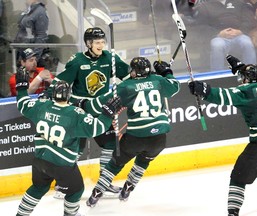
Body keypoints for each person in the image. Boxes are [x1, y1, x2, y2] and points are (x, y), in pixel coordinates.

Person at [14, 66, 122, 216]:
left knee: (39, 187)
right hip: (62, 165)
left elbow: (22, 103)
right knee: (76, 190)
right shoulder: (74, 114)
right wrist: (108, 114)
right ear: (69, 95)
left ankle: (21, 214)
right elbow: (97, 128)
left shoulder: (41, 106)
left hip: (40, 161)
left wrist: (21, 87)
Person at [77, 57, 180, 207]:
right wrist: (166, 72)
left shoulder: (126, 86)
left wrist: (83, 104)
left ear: (134, 71)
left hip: (136, 137)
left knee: (114, 165)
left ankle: (97, 193)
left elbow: (100, 104)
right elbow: (175, 86)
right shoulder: (158, 80)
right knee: (143, 162)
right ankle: (127, 190)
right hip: (159, 138)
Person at [188, 55, 257, 216]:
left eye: (243, 77)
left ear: (247, 80)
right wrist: (240, 68)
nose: (241, 80)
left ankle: (233, 213)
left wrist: (204, 90)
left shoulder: (244, 92)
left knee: (237, 179)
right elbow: (252, 81)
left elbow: (223, 95)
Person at [45, 27, 130, 197]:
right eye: (97, 42)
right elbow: (62, 81)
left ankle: (104, 183)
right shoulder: (77, 61)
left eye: (103, 42)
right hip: (80, 109)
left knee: (110, 145)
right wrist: (46, 95)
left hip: (102, 109)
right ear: (89, 44)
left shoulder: (109, 57)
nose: (101, 45)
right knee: (76, 148)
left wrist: (144, 77)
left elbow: (127, 74)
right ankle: (63, 184)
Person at [192, 0, 257, 71]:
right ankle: (218, 75)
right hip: (218, 37)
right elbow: (201, 26)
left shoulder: (239, 3)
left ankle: (250, 73)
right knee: (217, 45)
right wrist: (219, 33)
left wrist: (240, 31)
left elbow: (249, 20)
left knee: (247, 43)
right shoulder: (205, 6)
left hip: (239, 35)